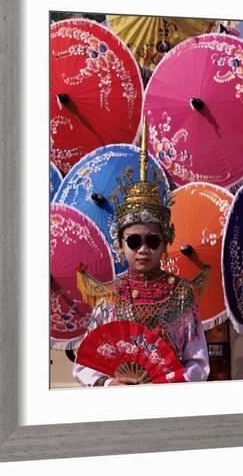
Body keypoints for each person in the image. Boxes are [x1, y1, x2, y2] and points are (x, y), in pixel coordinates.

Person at [73, 119, 210, 387]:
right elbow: (85, 365)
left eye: (152, 240)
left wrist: (169, 382)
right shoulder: (110, 298)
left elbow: (198, 363)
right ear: (121, 245)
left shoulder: (181, 295)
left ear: (164, 243)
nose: (143, 249)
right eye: (134, 241)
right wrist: (109, 384)